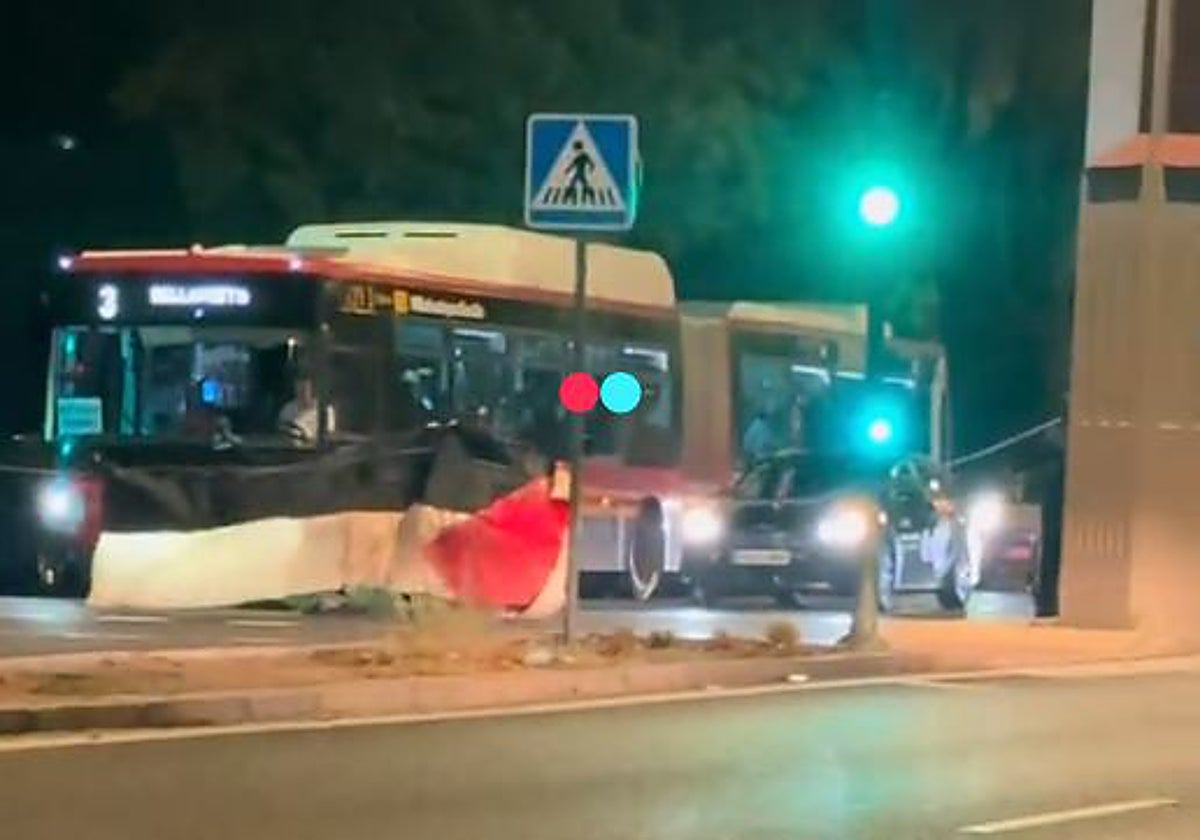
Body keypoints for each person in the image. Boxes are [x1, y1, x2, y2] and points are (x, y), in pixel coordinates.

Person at [278, 377, 335, 443]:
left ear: (312, 391)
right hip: (291, 450)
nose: (301, 393)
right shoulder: (287, 410)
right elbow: (282, 433)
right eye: (298, 389)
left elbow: (328, 435)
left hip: (317, 451)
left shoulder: (325, 410)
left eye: (305, 389)